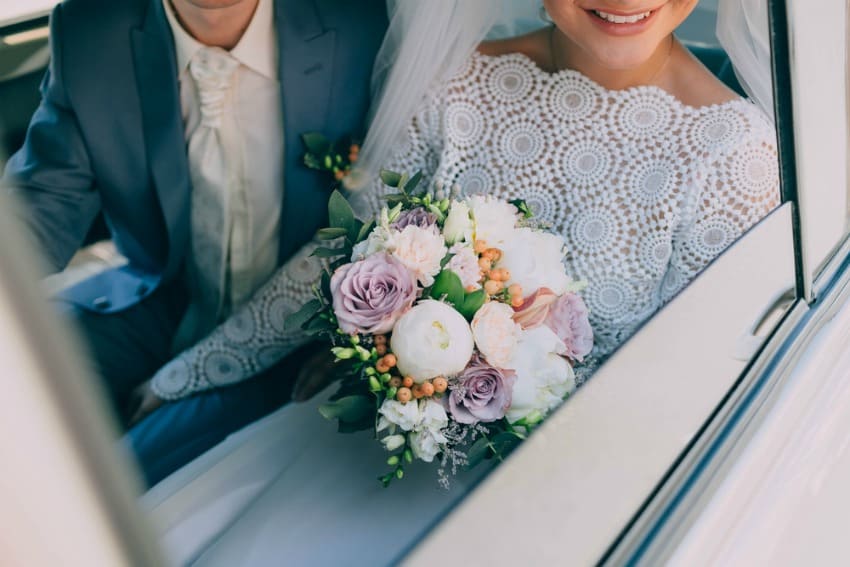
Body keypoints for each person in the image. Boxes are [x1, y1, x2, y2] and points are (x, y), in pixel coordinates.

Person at [141, 0, 781, 565]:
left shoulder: (734, 152)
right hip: (388, 444)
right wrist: (195, 369)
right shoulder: (457, 84)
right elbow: (338, 259)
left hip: (567, 496)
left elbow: (695, 397)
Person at [0, 0, 388, 485]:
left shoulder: (359, 20)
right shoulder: (90, 29)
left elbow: (406, 196)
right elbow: (43, 198)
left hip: (301, 326)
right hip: (166, 298)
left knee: (119, 481)